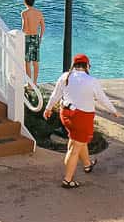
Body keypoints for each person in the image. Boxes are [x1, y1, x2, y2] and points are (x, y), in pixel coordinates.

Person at [43, 54, 119, 188]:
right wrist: (113, 110)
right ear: (87, 66)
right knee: (74, 148)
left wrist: (48, 109)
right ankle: (67, 180)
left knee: (78, 140)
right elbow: (102, 98)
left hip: (66, 115)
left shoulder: (65, 76)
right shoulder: (91, 81)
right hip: (82, 118)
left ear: (74, 65)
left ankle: (87, 165)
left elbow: (55, 95)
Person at [21, 0, 46, 84]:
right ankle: (35, 82)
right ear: (33, 2)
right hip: (36, 37)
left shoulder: (24, 13)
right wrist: (40, 37)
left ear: (25, 2)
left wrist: (20, 36)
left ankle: (29, 83)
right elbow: (43, 27)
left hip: (27, 37)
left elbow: (24, 28)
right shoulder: (39, 13)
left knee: (27, 61)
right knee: (35, 62)